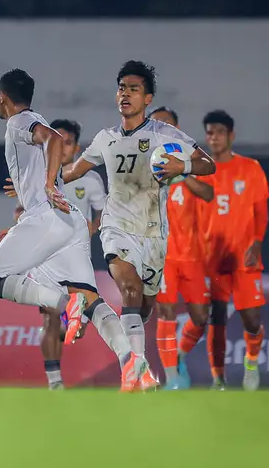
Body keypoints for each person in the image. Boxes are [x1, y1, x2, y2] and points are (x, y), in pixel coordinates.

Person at [60, 61, 215, 390]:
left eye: (133, 89)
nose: (125, 94)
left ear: (147, 98)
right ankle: (137, 373)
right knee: (128, 290)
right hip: (116, 228)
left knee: (143, 308)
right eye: (121, 88)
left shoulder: (164, 134)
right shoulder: (105, 139)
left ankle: (104, 326)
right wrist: (36, 181)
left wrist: (181, 165)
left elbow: (208, 164)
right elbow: (71, 172)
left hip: (154, 236)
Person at [0, 69, 137, 388]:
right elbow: (46, 154)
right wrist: (35, 197)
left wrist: (49, 187)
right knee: (92, 300)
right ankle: (133, 364)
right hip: (70, 223)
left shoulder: (18, 122)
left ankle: (64, 306)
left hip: (47, 219)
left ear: (2, 96)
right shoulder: (33, 119)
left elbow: (53, 138)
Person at [194, 110, 269, 391]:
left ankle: (251, 362)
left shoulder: (250, 168)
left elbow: (261, 212)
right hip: (213, 258)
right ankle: (218, 378)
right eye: (210, 132)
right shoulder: (201, 172)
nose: (214, 137)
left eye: (220, 132)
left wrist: (257, 242)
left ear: (231, 136)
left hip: (244, 257)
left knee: (252, 319)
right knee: (217, 316)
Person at [147, 107, 213, 390]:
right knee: (167, 313)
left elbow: (209, 193)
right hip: (163, 257)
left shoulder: (192, 161)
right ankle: (172, 378)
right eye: (157, 124)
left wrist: (182, 171)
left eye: (168, 125)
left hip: (193, 257)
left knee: (200, 318)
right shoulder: (145, 167)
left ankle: (180, 357)